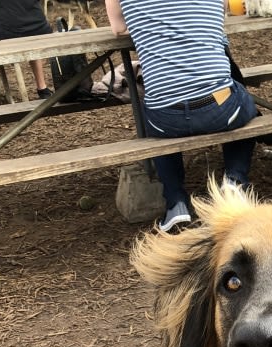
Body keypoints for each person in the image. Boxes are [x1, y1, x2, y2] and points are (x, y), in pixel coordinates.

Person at [105, 0, 259, 232]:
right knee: (246, 104)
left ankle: (175, 203)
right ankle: (234, 183)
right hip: (219, 109)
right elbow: (220, 18)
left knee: (156, 120)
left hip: (165, 117)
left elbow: (118, 28)